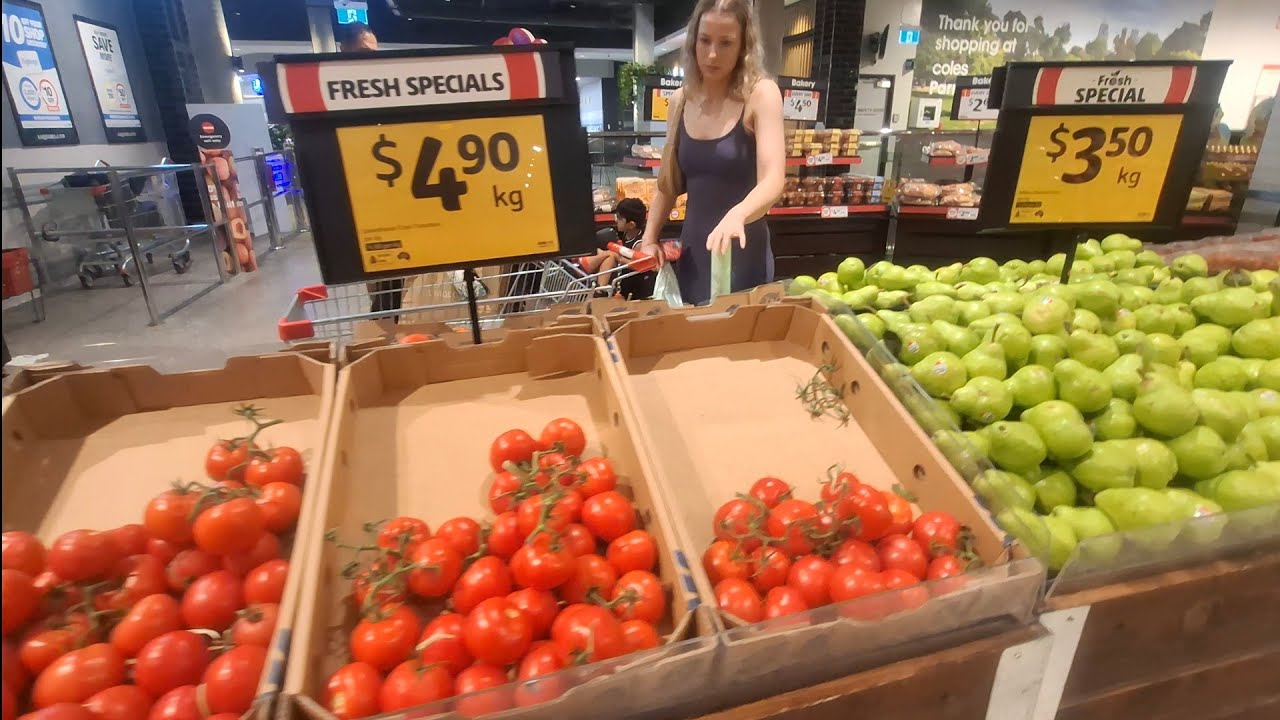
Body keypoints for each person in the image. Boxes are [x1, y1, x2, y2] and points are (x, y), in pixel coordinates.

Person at [638, 0, 784, 305]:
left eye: (726, 43)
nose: (713, 53)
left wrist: (738, 214)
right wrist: (649, 238)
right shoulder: (680, 101)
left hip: (744, 253)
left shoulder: (761, 94)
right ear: (693, 40)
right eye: (705, 40)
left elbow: (773, 180)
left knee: (738, 343)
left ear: (744, 45)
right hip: (694, 254)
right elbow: (668, 185)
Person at [339, 23, 403, 315]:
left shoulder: (380, 91)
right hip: (358, 199)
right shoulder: (336, 95)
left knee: (391, 273)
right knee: (377, 273)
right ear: (344, 49)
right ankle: (384, 328)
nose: (371, 58)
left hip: (387, 194)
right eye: (365, 51)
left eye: (374, 52)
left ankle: (386, 325)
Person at [582, 198, 658, 298]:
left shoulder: (640, 244)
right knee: (606, 254)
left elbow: (640, 266)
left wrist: (619, 258)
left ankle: (600, 291)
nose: (616, 219)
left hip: (634, 289)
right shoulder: (625, 234)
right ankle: (600, 289)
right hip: (623, 281)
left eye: (619, 218)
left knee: (610, 255)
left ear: (631, 225)